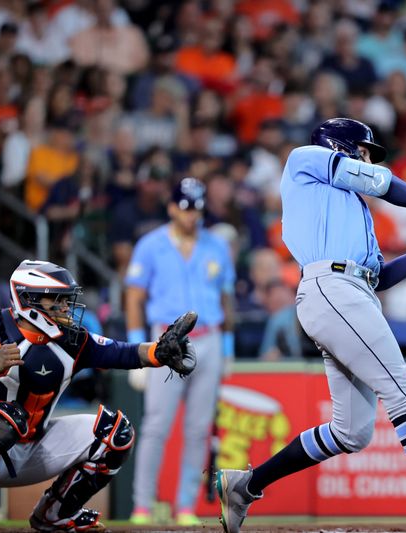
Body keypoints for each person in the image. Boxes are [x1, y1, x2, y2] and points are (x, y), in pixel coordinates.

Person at [216, 118, 406, 533]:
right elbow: (381, 181)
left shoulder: (352, 211)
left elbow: (380, 276)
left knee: (351, 432)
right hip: (332, 289)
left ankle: (246, 486)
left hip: (351, 293)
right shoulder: (305, 161)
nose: (367, 157)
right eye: (363, 149)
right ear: (341, 145)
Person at [0, 260, 196, 532]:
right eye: (56, 300)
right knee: (4, 418)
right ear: (29, 302)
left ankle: (55, 516)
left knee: (115, 432)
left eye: (65, 300)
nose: (65, 307)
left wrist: (160, 352)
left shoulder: (72, 341)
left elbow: (123, 352)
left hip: (28, 446)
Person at [127, 178, 235, 526]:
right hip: (165, 340)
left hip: (209, 339)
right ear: (172, 207)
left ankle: (185, 505)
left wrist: (229, 347)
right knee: (156, 425)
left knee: (198, 428)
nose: (193, 215)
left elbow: (226, 297)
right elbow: (134, 296)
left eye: (198, 208)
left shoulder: (216, 244)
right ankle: (142, 506)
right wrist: (136, 348)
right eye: (187, 207)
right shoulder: (150, 244)